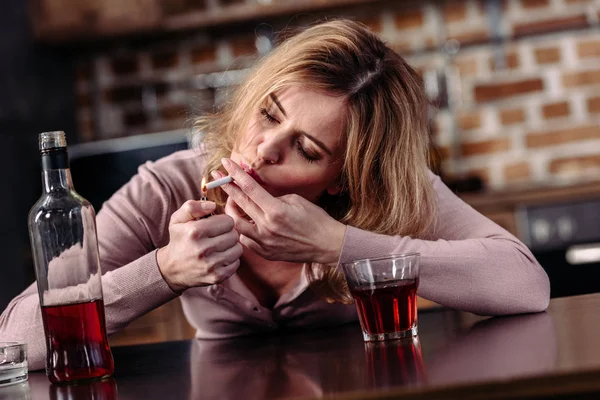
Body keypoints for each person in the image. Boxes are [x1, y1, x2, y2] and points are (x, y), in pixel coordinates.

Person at [0, 19, 550, 370]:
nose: (263, 149)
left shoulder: (387, 197)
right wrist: (165, 271)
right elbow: (18, 337)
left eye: (306, 150)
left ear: (344, 178)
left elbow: (525, 282)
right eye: (268, 113)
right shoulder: (168, 185)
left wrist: (339, 244)